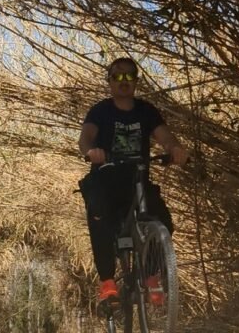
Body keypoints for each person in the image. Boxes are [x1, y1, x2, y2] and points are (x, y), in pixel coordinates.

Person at [78, 58, 188, 307]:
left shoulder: (146, 111)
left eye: (129, 76)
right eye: (117, 76)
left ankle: (151, 276)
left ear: (137, 81)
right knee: (99, 217)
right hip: (106, 178)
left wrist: (175, 149)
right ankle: (107, 282)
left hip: (137, 179)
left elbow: (165, 136)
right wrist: (91, 152)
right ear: (109, 81)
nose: (123, 81)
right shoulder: (100, 110)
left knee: (162, 222)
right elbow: (86, 137)